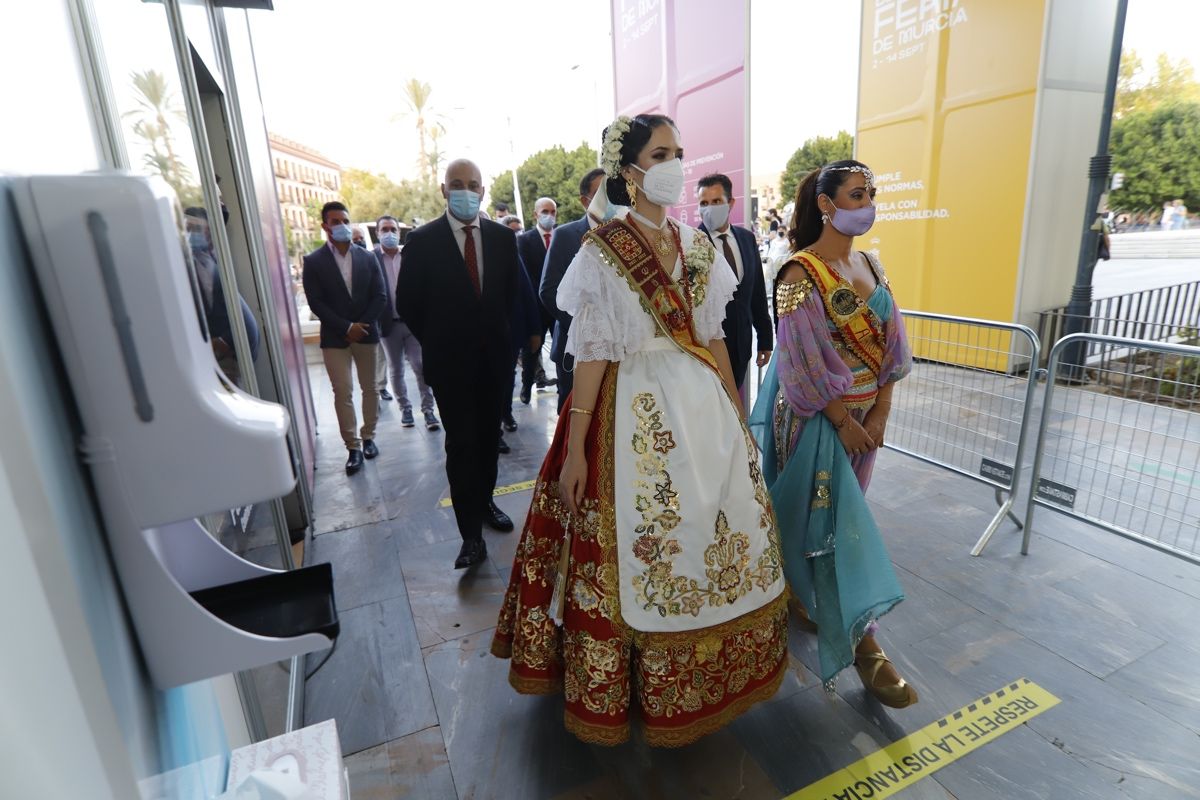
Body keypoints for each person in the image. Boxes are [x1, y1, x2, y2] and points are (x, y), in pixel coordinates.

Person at [492, 114, 787, 747]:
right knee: (637, 539)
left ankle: (710, 672)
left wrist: (738, 415)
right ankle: (626, 683)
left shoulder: (699, 246)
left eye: (680, 151)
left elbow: (711, 340)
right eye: (661, 153)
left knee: (712, 530)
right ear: (630, 171)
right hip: (630, 413)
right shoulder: (602, 250)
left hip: (703, 410)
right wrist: (575, 451)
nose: (675, 164)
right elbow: (591, 354)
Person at [749, 160, 917, 708]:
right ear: (826, 204)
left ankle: (801, 592)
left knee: (830, 523)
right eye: (856, 194)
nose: (867, 203)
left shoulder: (871, 262)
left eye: (871, 192)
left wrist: (879, 416)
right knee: (839, 531)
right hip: (819, 422)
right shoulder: (800, 274)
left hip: (867, 423)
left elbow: (893, 350)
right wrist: (846, 422)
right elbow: (799, 369)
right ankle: (867, 651)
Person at [397, 159, 519, 569]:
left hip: (494, 364)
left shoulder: (503, 238)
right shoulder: (423, 240)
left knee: (488, 443)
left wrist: (512, 342)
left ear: (483, 191)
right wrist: (441, 339)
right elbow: (408, 304)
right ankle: (470, 536)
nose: (465, 190)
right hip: (450, 367)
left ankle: (486, 503)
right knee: (461, 445)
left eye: (473, 184)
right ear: (443, 189)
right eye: (457, 184)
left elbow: (512, 296)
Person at [303, 201, 386, 475]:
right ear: (325, 226)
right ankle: (353, 447)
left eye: (345, 221)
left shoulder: (368, 257)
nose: (342, 226)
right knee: (342, 391)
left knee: (371, 387)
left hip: (366, 333)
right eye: (335, 222)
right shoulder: (313, 262)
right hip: (335, 337)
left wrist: (360, 324)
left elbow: (380, 296)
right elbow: (316, 302)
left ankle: (369, 436)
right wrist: (345, 326)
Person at [696, 173, 773, 405]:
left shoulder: (746, 239)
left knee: (733, 410)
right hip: (705, 351)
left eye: (716, 201)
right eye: (703, 203)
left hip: (740, 346)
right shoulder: (691, 243)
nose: (709, 208)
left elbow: (757, 293)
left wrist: (765, 338)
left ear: (731, 203)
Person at [539, 167, 608, 412]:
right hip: (574, 347)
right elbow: (548, 291)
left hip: (617, 350)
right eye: (602, 192)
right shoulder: (565, 235)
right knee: (574, 417)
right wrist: (586, 326)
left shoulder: (626, 234)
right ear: (584, 201)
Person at [374, 215, 439, 430]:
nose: (389, 233)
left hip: (412, 322)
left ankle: (428, 410)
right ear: (377, 233)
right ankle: (406, 410)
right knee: (396, 369)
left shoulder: (409, 254)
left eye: (393, 229)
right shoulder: (372, 258)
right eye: (385, 229)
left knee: (420, 366)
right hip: (388, 324)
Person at [184, 207, 261, 388]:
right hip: (224, 354)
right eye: (192, 228)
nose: (203, 233)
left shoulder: (211, 257)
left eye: (205, 229)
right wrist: (220, 343)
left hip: (232, 354)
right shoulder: (191, 263)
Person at [516, 196, 559, 403]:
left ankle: (565, 385)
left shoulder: (561, 237)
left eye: (553, 212)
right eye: (545, 212)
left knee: (562, 347)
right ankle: (526, 387)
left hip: (559, 306)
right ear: (535, 214)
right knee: (531, 350)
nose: (549, 216)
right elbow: (526, 276)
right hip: (536, 308)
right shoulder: (524, 240)